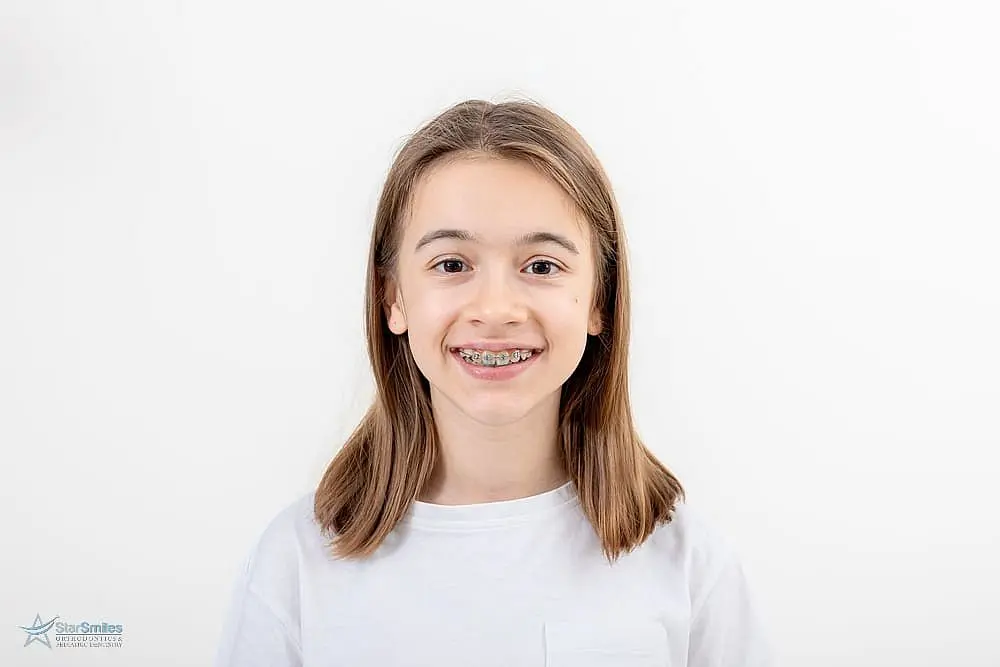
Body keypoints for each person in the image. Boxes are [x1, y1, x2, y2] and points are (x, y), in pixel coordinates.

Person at [214, 98, 774, 667]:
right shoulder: (296, 566)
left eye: (541, 266)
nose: (496, 308)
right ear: (394, 298)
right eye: (452, 265)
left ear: (598, 301)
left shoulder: (688, 568)